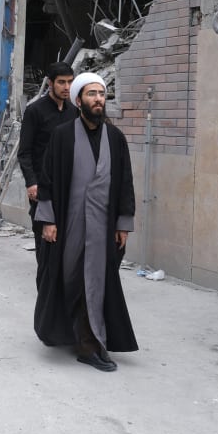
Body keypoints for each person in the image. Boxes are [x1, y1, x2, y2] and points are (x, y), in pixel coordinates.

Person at [34, 72, 137, 372]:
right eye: (91, 94)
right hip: (69, 225)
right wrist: (48, 220)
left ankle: (89, 345)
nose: (98, 99)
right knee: (73, 280)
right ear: (79, 100)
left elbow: (126, 183)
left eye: (102, 94)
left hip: (103, 229)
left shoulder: (116, 138)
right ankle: (81, 338)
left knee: (95, 283)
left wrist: (123, 224)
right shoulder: (63, 135)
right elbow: (48, 178)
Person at [19, 62, 78, 283]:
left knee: (67, 239)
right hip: (42, 189)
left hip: (69, 188)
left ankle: (61, 287)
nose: (66, 87)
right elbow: (24, 152)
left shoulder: (74, 112)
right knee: (44, 240)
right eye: (61, 82)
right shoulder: (35, 111)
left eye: (70, 82)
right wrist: (31, 182)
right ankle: (44, 287)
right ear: (51, 83)